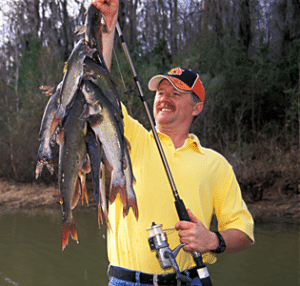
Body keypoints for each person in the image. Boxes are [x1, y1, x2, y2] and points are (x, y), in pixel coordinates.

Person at [92, 0, 255, 285]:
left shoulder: (216, 164)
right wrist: (108, 26)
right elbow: (98, 89)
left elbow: (243, 233)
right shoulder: (134, 137)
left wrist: (212, 240)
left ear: (196, 107)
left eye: (176, 93)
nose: (164, 98)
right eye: (161, 92)